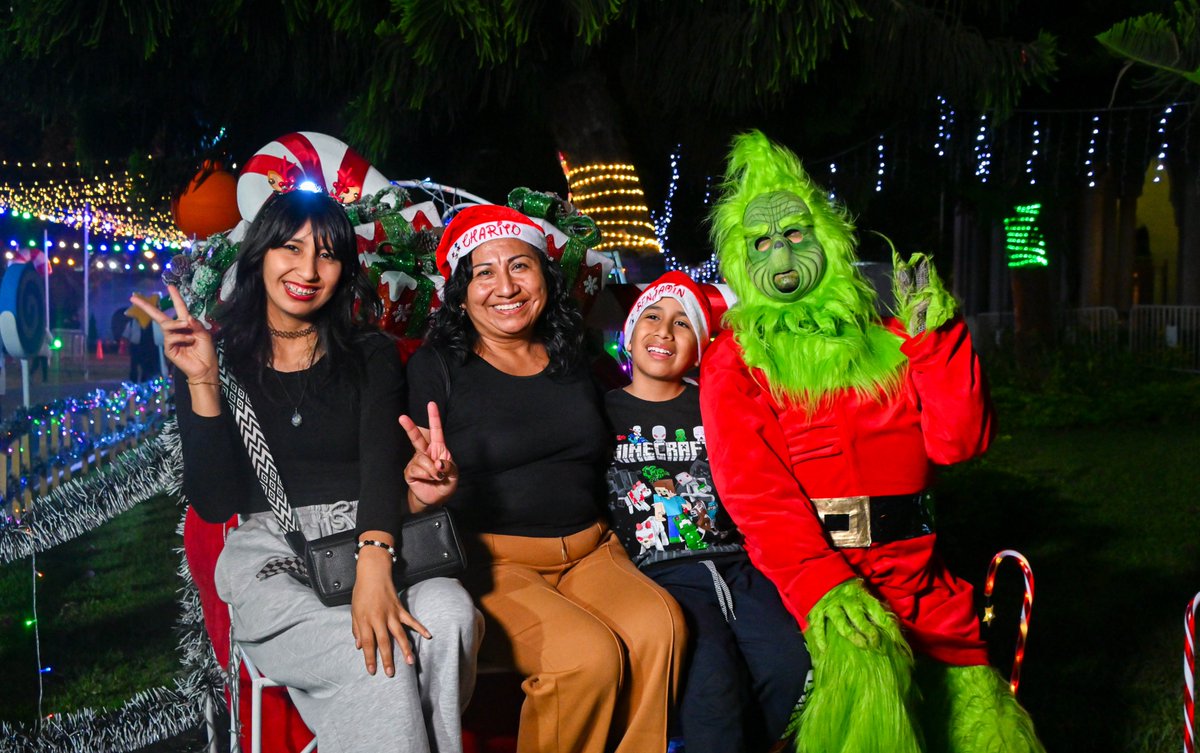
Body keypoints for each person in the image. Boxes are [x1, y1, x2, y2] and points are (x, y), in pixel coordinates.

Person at [701, 131, 1043, 753]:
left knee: (976, 724)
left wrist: (937, 340)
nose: (781, 253)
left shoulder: (888, 336)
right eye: (761, 241)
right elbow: (755, 492)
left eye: (796, 233)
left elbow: (959, 444)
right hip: (831, 578)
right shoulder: (738, 356)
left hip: (922, 574)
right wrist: (822, 587)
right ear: (743, 260)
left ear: (828, 239)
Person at [132, 189, 482, 753]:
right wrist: (201, 381)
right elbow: (216, 501)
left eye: (326, 254)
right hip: (274, 549)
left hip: (372, 533)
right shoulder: (214, 357)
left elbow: (379, 465)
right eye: (290, 249)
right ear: (260, 256)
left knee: (452, 614)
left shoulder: (369, 353)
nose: (307, 270)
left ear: (345, 268)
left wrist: (375, 562)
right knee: (376, 658)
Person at [405, 204, 687, 753]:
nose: (505, 286)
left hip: (591, 550)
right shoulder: (436, 366)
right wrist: (421, 490)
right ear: (461, 292)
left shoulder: (571, 351)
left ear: (544, 278)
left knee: (663, 628)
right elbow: (414, 486)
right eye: (483, 272)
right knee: (587, 659)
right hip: (496, 562)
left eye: (520, 266)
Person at [604, 271, 812, 753]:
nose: (663, 331)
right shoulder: (600, 410)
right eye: (651, 317)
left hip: (737, 567)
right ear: (629, 334)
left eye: (683, 324)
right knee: (711, 677)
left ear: (699, 347)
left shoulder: (715, 404)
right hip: (658, 575)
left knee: (793, 665)